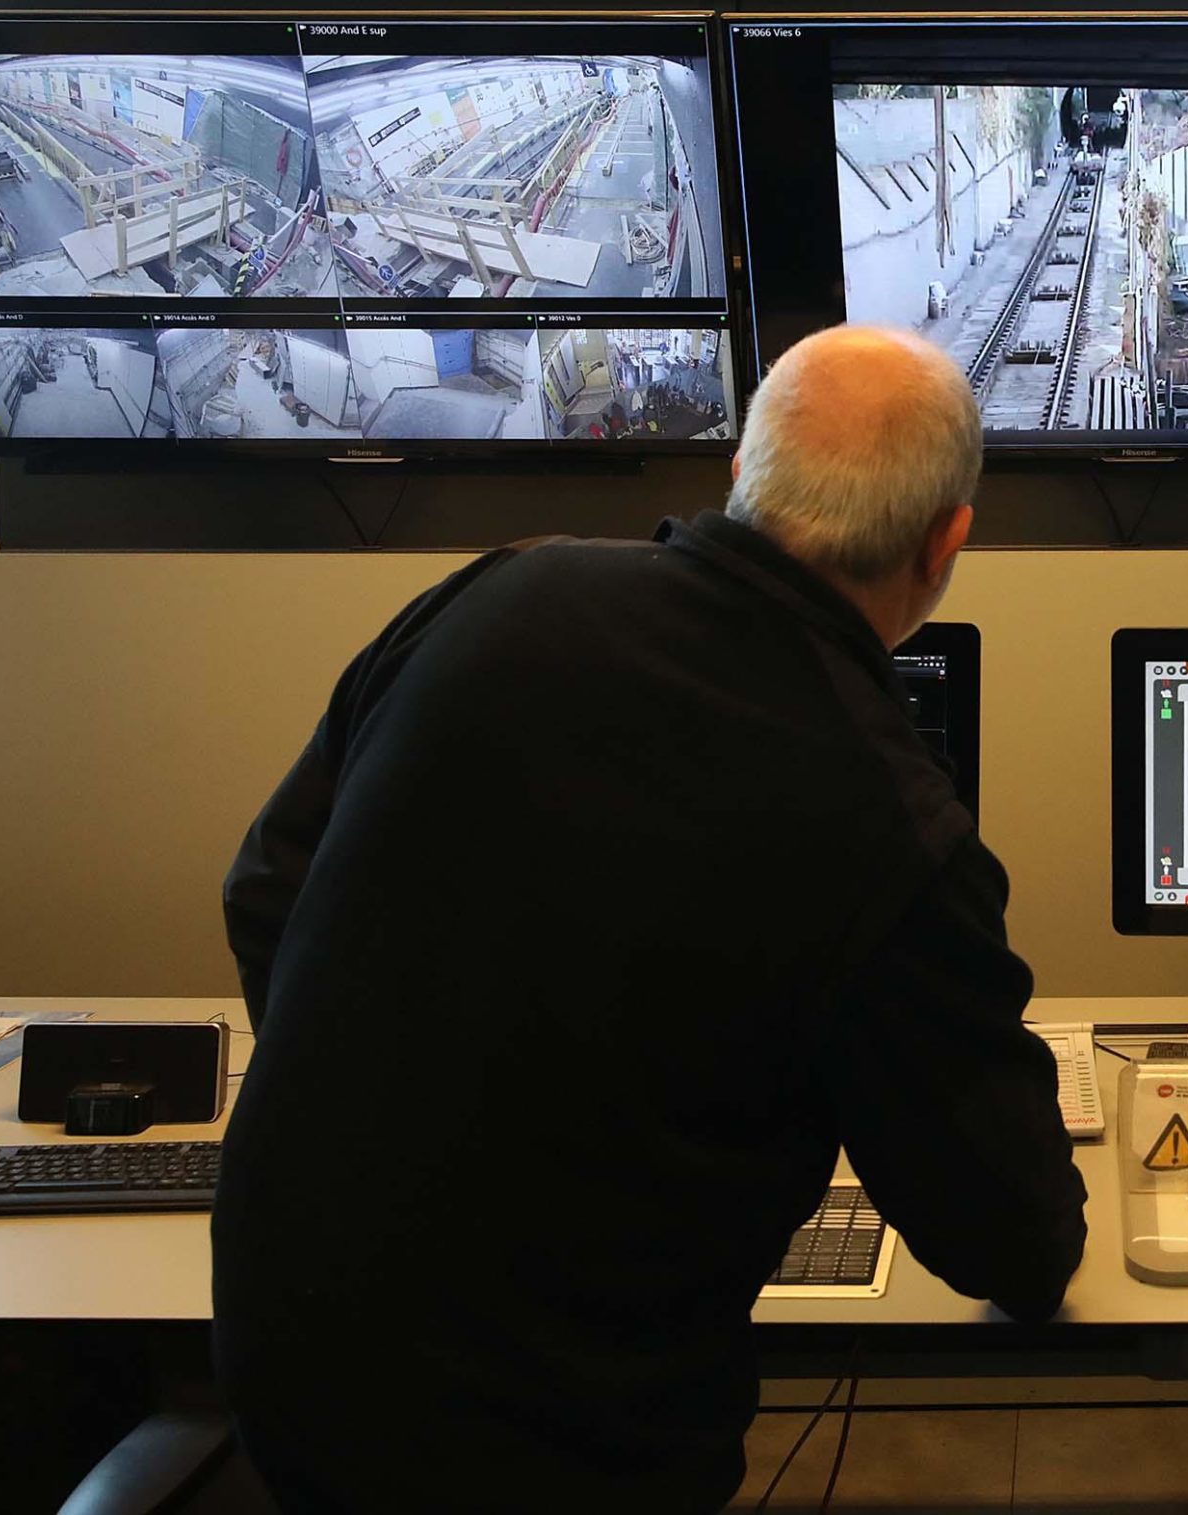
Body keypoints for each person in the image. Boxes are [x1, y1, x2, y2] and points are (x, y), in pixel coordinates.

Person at [214, 325, 1088, 1511]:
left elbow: (267, 889)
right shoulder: (886, 813)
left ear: (739, 473)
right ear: (947, 545)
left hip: (283, 1364)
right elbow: (1015, 1245)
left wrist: (394, 1106)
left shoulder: (498, 589)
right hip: (566, 1443)